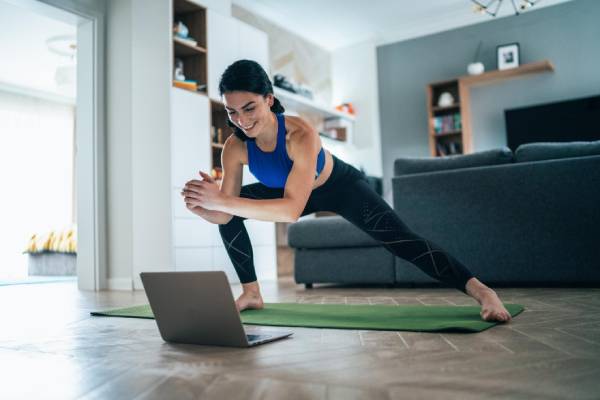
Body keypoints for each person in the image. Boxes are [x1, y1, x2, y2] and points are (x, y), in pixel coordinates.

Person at [181, 59, 511, 322]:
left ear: (269, 99)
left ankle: (483, 292)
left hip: (339, 187)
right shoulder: (234, 147)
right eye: (231, 111)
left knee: (402, 241)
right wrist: (206, 206)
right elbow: (227, 212)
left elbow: (292, 211)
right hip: (289, 192)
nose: (240, 119)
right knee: (231, 216)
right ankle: (251, 292)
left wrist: (223, 201)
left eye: (249, 107)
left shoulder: (300, 134)